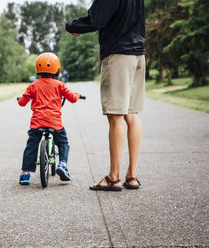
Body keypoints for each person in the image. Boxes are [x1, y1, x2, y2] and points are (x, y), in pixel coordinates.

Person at [66, 0, 145, 191]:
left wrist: (73, 26)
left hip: (119, 55)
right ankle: (131, 176)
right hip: (138, 54)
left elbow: (97, 18)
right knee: (132, 115)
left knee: (116, 116)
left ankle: (113, 178)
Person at [18, 52, 81, 185]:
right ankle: (62, 164)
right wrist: (77, 95)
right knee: (63, 142)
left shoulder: (33, 85)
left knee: (31, 147)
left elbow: (22, 102)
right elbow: (72, 98)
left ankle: (25, 174)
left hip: (37, 123)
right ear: (57, 69)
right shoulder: (59, 85)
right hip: (55, 123)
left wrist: (21, 99)